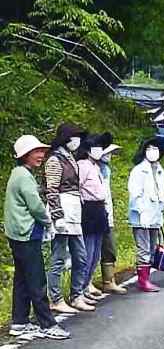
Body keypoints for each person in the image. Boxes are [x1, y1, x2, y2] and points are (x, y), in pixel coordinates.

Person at [4, 136, 70, 339]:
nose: (41, 155)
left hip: (17, 234)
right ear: (25, 155)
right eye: (36, 152)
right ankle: (47, 324)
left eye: (42, 151)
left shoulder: (19, 173)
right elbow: (35, 205)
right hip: (26, 234)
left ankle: (20, 322)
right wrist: (49, 221)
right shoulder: (24, 176)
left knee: (23, 279)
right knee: (37, 280)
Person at [44, 123, 94, 313]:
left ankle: (76, 295)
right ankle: (55, 298)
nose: (77, 141)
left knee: (81, 257)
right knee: (58, 258)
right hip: (63, 212)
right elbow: (52, 190)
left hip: (74, 212)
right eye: (75, 137)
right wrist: (57, 216)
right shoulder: (55, 161)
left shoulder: (70, 158)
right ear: (66, 138)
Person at [128, 137, 164, 293]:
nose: (153, 152)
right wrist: (141, 212)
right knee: (143, 248)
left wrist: (162, 209)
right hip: (141, 217)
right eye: (150, 149)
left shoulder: (159, 170)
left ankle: (146, 278)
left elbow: (162, 192)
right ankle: (143, 281)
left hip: (155, 215)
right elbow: (134, 194)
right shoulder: (139, 170)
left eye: (156, 149)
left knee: (152, 248)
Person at [76, 134, 111, 302]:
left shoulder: (96, 166)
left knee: (96, 252)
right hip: (88, 209)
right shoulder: (82, 165)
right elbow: (78, 187)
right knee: (87, 252)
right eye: (95, 147)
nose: (99, 150)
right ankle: (80, 288)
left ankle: (87, 284)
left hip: (99, 208)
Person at [96, 137, 127, 294]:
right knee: (93, 250)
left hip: (106, 214)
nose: (110, 156)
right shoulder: (93, 168)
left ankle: (109, 280)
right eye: (108, 152)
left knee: (109, 248)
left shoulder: (106, 169)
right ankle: (89, 284)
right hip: (95, 214)